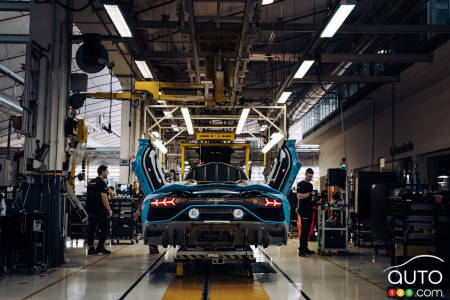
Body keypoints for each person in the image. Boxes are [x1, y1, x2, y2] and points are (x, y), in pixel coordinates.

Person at [86, 165, 112, 255]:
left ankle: (90, 248)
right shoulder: (101, 183)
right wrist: (109, 209)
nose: (107, 173)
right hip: (100, 210)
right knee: (104, 228)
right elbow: (104, 197)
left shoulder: (91, 182)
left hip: (90, 210)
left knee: (91, 229)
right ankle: (100, 247)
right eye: (107, 171)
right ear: (102, 172)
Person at [132, 180, 160, 255]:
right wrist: (138, 210)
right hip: (148, 212)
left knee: (152, 229)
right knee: (150, 229)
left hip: (151, 211)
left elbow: (142, 199)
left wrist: (138, 210)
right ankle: (152, 247)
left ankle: (153, 247)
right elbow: (142, 200)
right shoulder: (148, 190)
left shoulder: (149, 190)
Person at [296, 168, 316, 256]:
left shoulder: (310, 185)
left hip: (309, 209)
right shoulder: (300, 184)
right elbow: (299, 196)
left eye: (311, 177)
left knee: (308, 230)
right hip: (303, 209)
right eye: (309, 176)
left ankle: (305, 247)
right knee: (304, 230)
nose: (310, 178)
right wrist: (309, 194)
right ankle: (301, 250)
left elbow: (310, 197)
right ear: (305, 174)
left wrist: (314, 198)